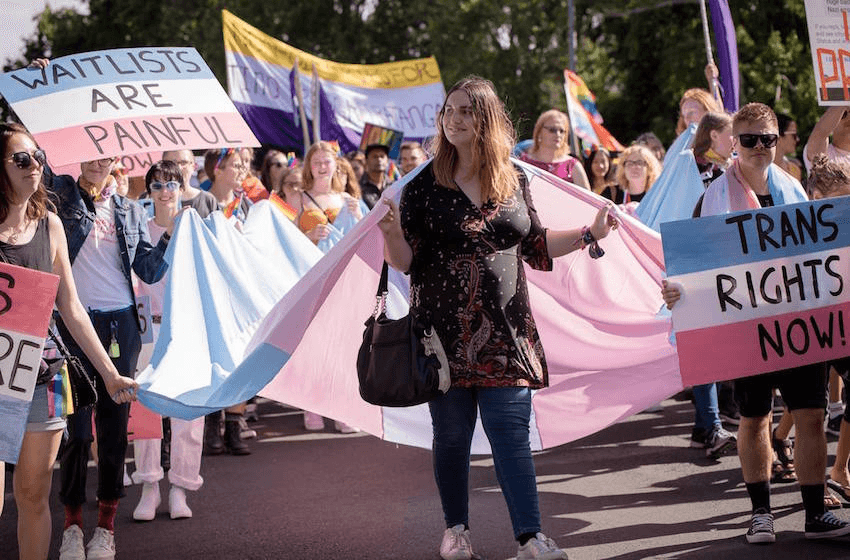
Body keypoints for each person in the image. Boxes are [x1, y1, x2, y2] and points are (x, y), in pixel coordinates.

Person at [379, 76, 617, 560]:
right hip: (441, 339)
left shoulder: (514, 178)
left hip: (507, 335)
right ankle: (456, 532)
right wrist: (388, 231)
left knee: (512, 435)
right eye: (449, 110)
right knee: (451, 437)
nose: (454, 118)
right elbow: (405, 262)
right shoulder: (422, 185)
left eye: (466, 110)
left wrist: (591, 232)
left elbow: (535, 245)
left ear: (486, 119)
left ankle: (530, 537)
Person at [662, 103, 850, 544]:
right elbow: (696, 266)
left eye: (768, 139)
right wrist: (677, 292)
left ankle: (814, 513)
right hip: (747, 326)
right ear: (734, 143)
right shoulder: (711, 199)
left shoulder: (794, 190)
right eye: (750, 140)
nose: (761, 147)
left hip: (798, 322)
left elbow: (818, 258)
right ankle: (761, 514)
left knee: (809, 415)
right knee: (754, 417)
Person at [0, 122, 138, 560]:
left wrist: (110, 373)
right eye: (22, 159)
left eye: (37, 157)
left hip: (42, 374)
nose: (34, 166)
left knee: (33, 495)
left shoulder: (52, 225)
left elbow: (73, 308)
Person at [132, 161, 205, 522]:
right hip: (149, 326)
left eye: (171, 184)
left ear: (182, 186)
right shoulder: (139, 231)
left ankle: (181, 487)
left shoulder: (197, 228)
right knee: (146, 409)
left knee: (188, 413)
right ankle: (149, 485)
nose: (165, 191)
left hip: (188, 329)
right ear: (149, 191)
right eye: (157, 185)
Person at [298, 141, 362, 245]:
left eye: (327, 162)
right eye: (316, 162)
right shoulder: (298, 197)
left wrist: (358, 216)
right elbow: (286, 238)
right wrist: (310, 235)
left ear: (336, 165)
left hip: (344, 260)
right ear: (309, 166)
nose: (322, 166)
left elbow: (362, 237)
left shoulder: (346, 198)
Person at [519, 109, 590, 189]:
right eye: (552, 130)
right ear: (539, 132)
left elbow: (589, 201)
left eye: (562, 131)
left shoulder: (573, 166)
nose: (558, 134)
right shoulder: (523, 162)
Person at [162, 149, 217, 218]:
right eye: (172, 163)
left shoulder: (207, 200)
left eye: (183, 162)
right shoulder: (155, 199)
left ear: (194, 166)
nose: (179, 168)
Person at [203, 148, 251, 219]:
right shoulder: (201, 204)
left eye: (241, 167)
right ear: (218, 172)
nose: (241, 171)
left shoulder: (244, 204)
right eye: (236, 166)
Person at [803, 105, 850, 173]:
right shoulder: (823, 151)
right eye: (844, 114)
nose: (849, 118)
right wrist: (843, 102)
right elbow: (820, 133)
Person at [692, 112, 734, 187]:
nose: (735, 141)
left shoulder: (727, 166)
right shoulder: (695, 170)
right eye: (731, 135)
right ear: (714, 135)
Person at [359, 143, 393, 209]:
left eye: (382, 156)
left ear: (387, 161)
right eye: (375, 156)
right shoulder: (358, 186)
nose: (379, 159)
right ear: (366, 161)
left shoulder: (393, 185)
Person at [774, 113, 803, 181]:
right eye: (794, 135)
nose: (797, 139)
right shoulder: (759, 169)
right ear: (779, 137)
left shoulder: (794, 170)